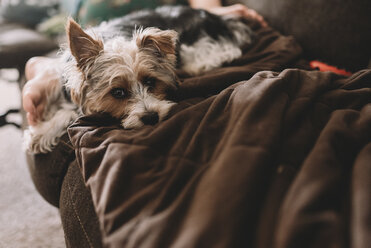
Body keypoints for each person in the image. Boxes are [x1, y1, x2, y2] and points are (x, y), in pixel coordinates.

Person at [23, 0, 267, 126]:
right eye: (120, 93)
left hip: (176, 20)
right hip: (99, 33)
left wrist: (217, 14)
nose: (146, 107)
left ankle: (44, 68)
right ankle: (45, 69)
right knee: (70, 70)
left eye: (150, 84)